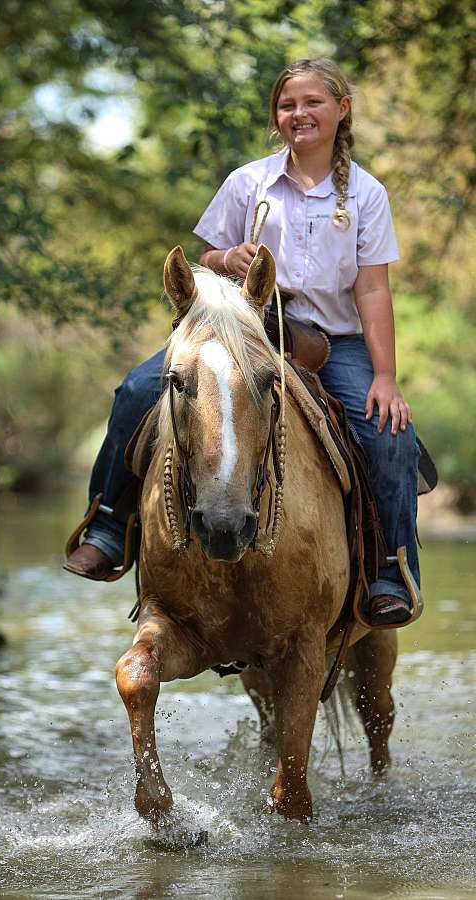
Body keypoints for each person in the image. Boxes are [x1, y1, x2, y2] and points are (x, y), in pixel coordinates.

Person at [65, 57, 420, 626]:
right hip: (242, 330)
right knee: (135, 391)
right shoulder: (247, 181)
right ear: (276, 115)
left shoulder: (366, 196)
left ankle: (389, 570)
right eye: (287, 105)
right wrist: (227, 258)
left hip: (333, 342)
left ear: (341, 109)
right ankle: (109, 526)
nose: (298, 114)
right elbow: (207, 256)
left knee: (388, 435)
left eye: (313, 103)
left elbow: (373, 290)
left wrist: (385, 376)